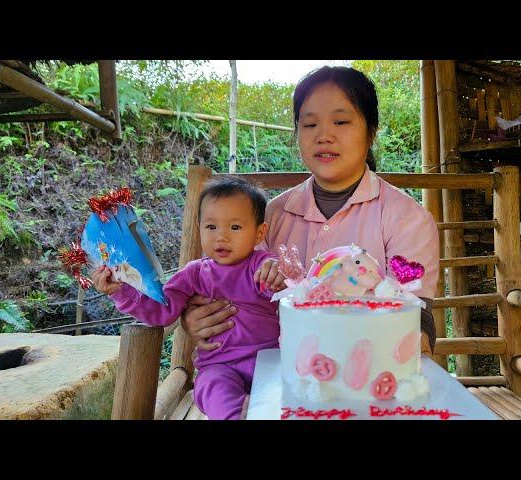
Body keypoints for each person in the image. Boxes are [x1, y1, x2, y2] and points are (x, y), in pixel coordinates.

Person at [181, 65, 440, 368]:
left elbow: (416, 315)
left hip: (369, 379)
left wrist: (416, 338)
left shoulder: (407, 219)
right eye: (309, 125)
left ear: (370, 132)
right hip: (273, 375)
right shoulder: (269, 218)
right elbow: (222, 285)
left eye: (341, 121)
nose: (324, 136)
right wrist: (195, 317)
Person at [90, 177, 286, 420]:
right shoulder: (194, 273)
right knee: (214, 392)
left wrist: (279, 274)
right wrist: (122, 290)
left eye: (235, 227)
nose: (221, 237)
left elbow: (284, 287)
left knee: (284, 396)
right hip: (218, 367)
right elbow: (161, 311)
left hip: (267, 360)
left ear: (259, 233)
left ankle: (257, 409)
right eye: (211, 227)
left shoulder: (262, 264)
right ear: (199, 227)